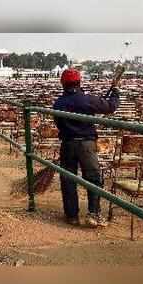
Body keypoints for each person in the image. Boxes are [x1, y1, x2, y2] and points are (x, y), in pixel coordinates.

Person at [53, 68, 120, 228]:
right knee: (94, 178)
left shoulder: (58, 103)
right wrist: (116, 91)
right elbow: (110, 107)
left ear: (63, 84)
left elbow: (59, 124)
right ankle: (93, 213)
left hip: (68, 144)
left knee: (68, 179)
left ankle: (72, 216)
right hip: (87, 145)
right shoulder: (87, 100)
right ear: (79, 82)